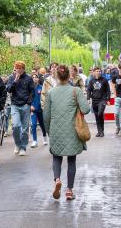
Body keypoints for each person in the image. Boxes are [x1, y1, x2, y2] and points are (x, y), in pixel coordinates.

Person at [43, 65, 90, 200]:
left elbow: (46, 115)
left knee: (56, 157)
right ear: (70, 76)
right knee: (71, 160)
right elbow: (86, 109)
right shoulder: (76, 91)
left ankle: (57, 179)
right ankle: (69, 190)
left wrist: (49, 131)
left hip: (56, 130)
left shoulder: (51, 92)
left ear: (57, 76)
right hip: (73, 130)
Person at [7, 61, 35, 156]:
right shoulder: (12, 77)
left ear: (23, 69)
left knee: (25, 128)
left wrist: (29, 103)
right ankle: (17, 144)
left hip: (25, 105)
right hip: (15, 105)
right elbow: (9, 89)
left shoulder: (29, 78)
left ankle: (23, 147)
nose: (18, 70)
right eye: (16, 68)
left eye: (20, 68)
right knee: (15, 126)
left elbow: (32, 91)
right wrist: (15, 80)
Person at [87, 66, 111, 137]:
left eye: (99, 71)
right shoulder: (91, 81)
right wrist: (88, 98)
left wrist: (108, 99)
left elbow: (108, 91)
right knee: (97, 116)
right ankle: (99, 131)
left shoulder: (104, 80)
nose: (98, 72)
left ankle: (102, 130)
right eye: (97, 71)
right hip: (94, 100)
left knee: (100, 113)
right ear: (94, 72)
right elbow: (89, 90)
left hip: (102, 100)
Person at [30, 73, 47, 147]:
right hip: (33, 110)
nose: (34, 78)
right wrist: (30, 106)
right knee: (33, 125)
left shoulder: (41, 87)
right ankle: (34, 141)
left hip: (41, 109)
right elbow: (28, 98)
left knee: (42, 125)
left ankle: (44, 137)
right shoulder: (30, 88)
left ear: (38, 78)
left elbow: (44, 98)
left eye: (36, 77)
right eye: (33, 77)